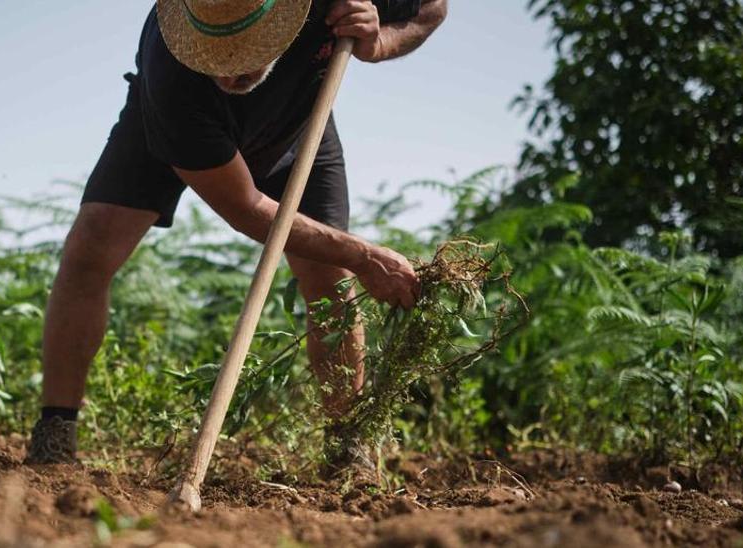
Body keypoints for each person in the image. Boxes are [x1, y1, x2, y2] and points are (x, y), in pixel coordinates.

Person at [25, 0, 448, 481]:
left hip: (296, 124)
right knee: (90, 247)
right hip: (173, 128)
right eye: (215, 51)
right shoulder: (173, 73)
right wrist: (365, 253)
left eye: (245, 47)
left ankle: (348, 449)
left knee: (331, 278)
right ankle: (55, 433)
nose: (229, 70)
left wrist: (381, 40)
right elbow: (245, 208)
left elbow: (433, 8)